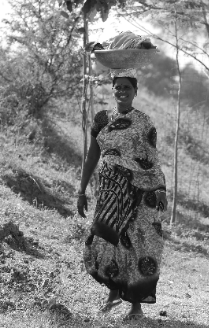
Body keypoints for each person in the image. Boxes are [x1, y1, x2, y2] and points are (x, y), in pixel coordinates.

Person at [77, 68, 167, 320]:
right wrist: (81, 191)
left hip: (138, 190)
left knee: (136, 242)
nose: (122, 91)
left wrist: (160, 188)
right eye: (118, 87)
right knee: (106, 240)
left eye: (127, 87)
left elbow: (151, 158)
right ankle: (113, 294)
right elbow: (92, 157)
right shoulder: (101, 119)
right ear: (112, 89)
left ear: (135, 91)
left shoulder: (144, 122)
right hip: (109, 190)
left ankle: (136, 306)